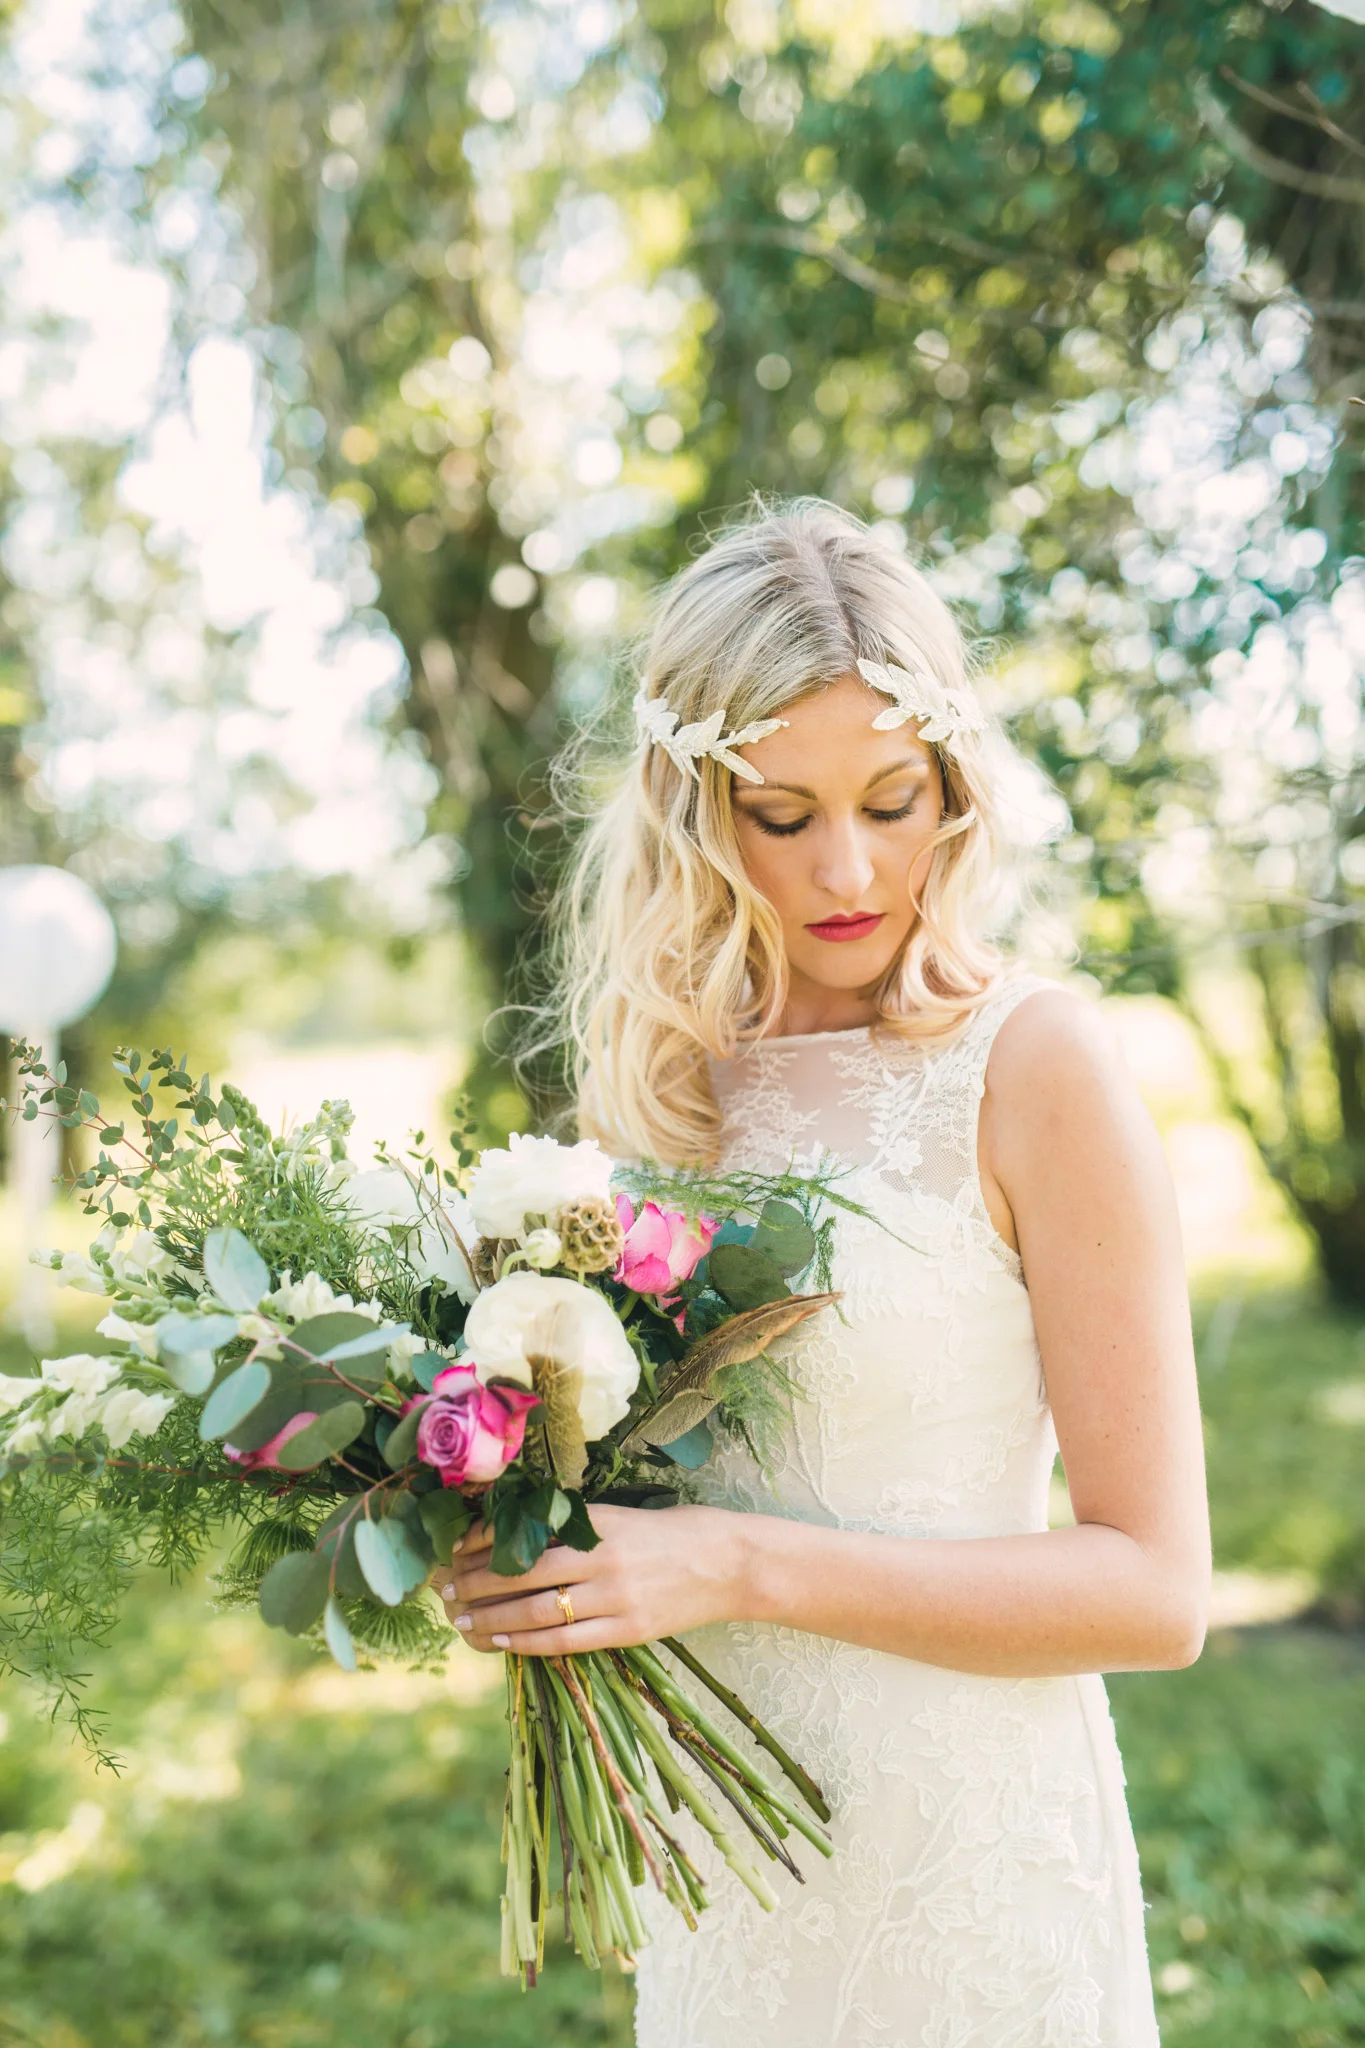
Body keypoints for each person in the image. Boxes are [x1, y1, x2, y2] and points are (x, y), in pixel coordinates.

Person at [441, 498, 1210, 2046]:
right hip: (731, 1881)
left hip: (978, 1872)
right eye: (778, 815)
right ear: (688, 812)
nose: (847, 867)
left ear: (955, 786)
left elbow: (1159, 1589)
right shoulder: (657, 1094)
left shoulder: (1036, 1067)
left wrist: (735, 1567)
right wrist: (526, 1553)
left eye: (893, 797)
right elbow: (646, 1499)